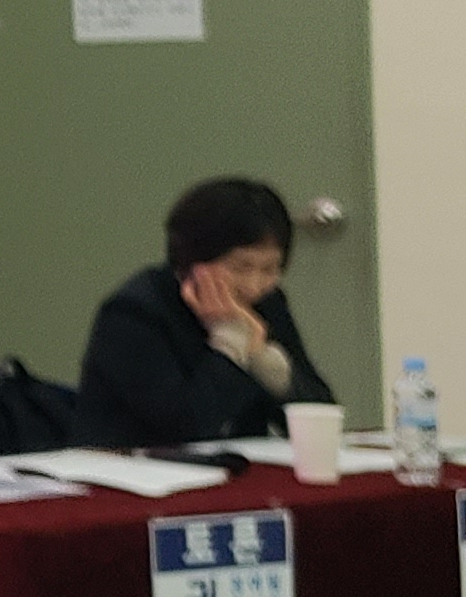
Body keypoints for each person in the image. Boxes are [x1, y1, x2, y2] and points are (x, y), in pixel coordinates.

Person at [80, 179, 336, 448]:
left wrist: (265, 362)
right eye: (240, 268)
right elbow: (186, 428)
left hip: (235, 464)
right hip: (130, 466)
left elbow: (322, 417)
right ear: (193, 261)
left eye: (270, 269)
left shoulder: (268, 303)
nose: (254, 286)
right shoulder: (134, 313)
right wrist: (230, 343)